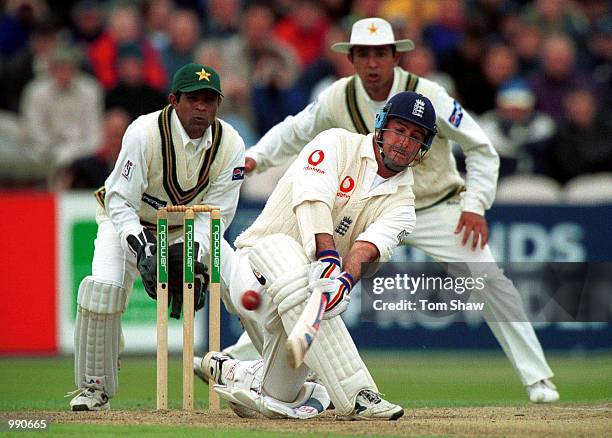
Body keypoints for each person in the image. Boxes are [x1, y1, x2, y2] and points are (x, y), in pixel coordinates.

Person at [220, 17, 560, 403]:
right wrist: (256, 157)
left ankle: (538, 382)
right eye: (363, 55)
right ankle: (233, 360)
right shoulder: (339, 96)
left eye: (380, 54)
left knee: (488, 279)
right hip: (367, 207)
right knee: (308, 284)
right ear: (352, 59)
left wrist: (475, 204)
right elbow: (296, 129)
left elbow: (480, 146)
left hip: (434, 207)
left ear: (395, 56)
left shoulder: (428, 93)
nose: (372, 64)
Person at [195, 91, 437, 420]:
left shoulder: (404, 204)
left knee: (280, 396)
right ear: (381, 128)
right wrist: (327, 259)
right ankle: (360, 395)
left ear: (422, 148)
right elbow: (312, 199)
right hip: (254, 266)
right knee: (297, 275)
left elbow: (368, 247)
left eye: (415, 136)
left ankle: (245, 374)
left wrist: (344, 281)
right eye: (399, 129)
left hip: (302, 296)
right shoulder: (336, 143)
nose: (404, 142)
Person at [68, 63, 246, 411]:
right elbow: (119, 201)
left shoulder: (231, 144)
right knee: (102, 290)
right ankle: (95, 388)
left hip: (185, 229)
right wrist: (145, 250)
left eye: (209, 100)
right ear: (173, 100)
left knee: (244, 282)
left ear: (218, 104)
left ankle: (269, 380)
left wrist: (193, 252)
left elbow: (220, 213)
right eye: (193, 99)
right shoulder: (143, 133)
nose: (201, 108)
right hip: (127, 223)